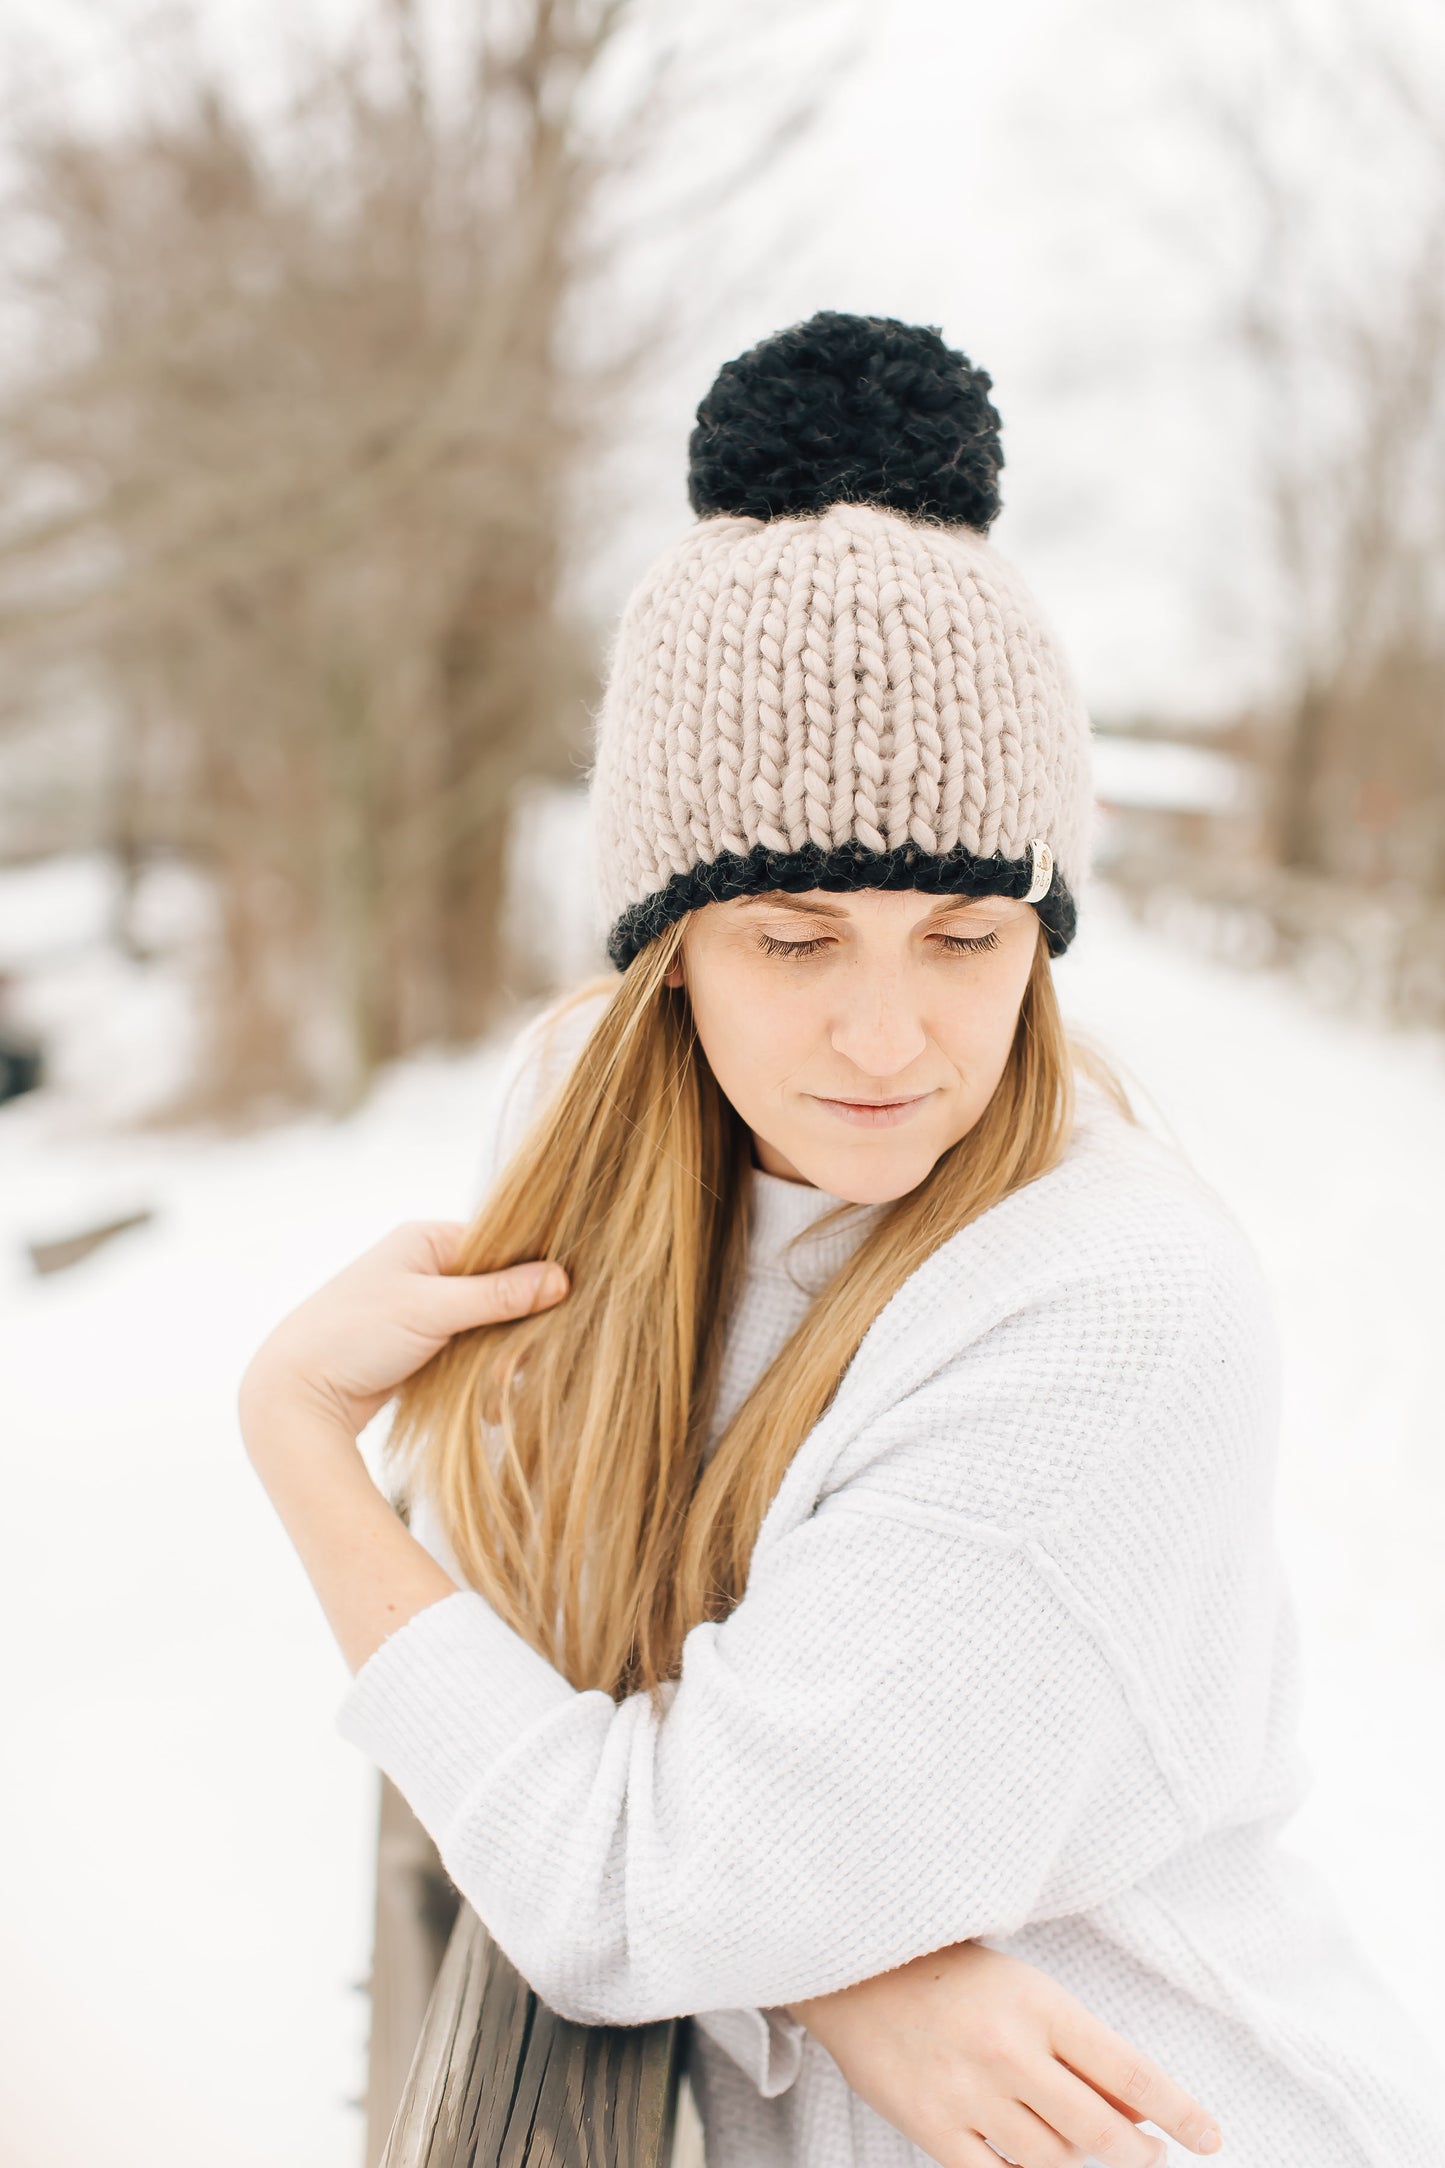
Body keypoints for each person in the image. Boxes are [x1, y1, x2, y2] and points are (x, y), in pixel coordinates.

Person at [239, 313, 1445, 2168]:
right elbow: (567, 1675)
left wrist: (299, 1437)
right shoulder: (610, 1168)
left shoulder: (1106, 1309)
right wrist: (826, 1960)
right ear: (670, 951)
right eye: (793, 940)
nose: (885, 1038)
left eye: (964, 937)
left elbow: (629, 1885)